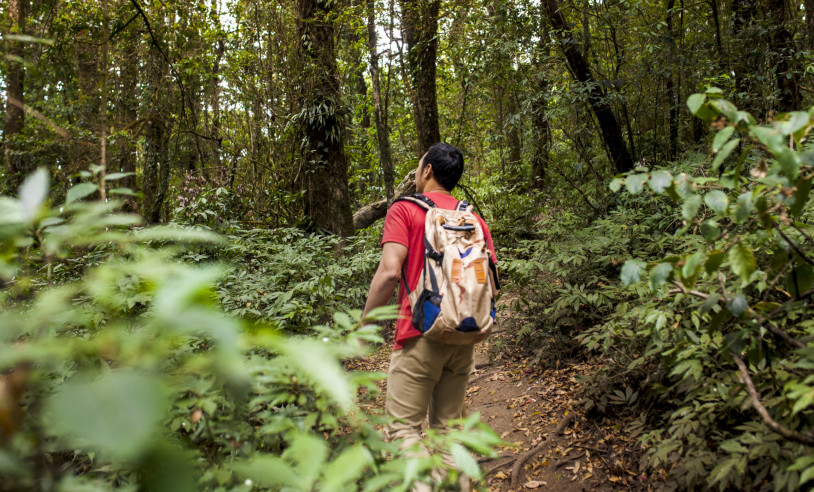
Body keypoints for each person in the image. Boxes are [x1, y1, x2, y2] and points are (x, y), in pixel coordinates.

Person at [361, 142, 497, 491]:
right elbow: (491, 277)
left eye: (418, 166)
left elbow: (389, 273)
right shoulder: (473, 219)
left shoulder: (404, 210)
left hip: (418, 334)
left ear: (427, 171)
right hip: (463, 336)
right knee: (449, 431)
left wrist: (364, 327)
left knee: (404, 429)